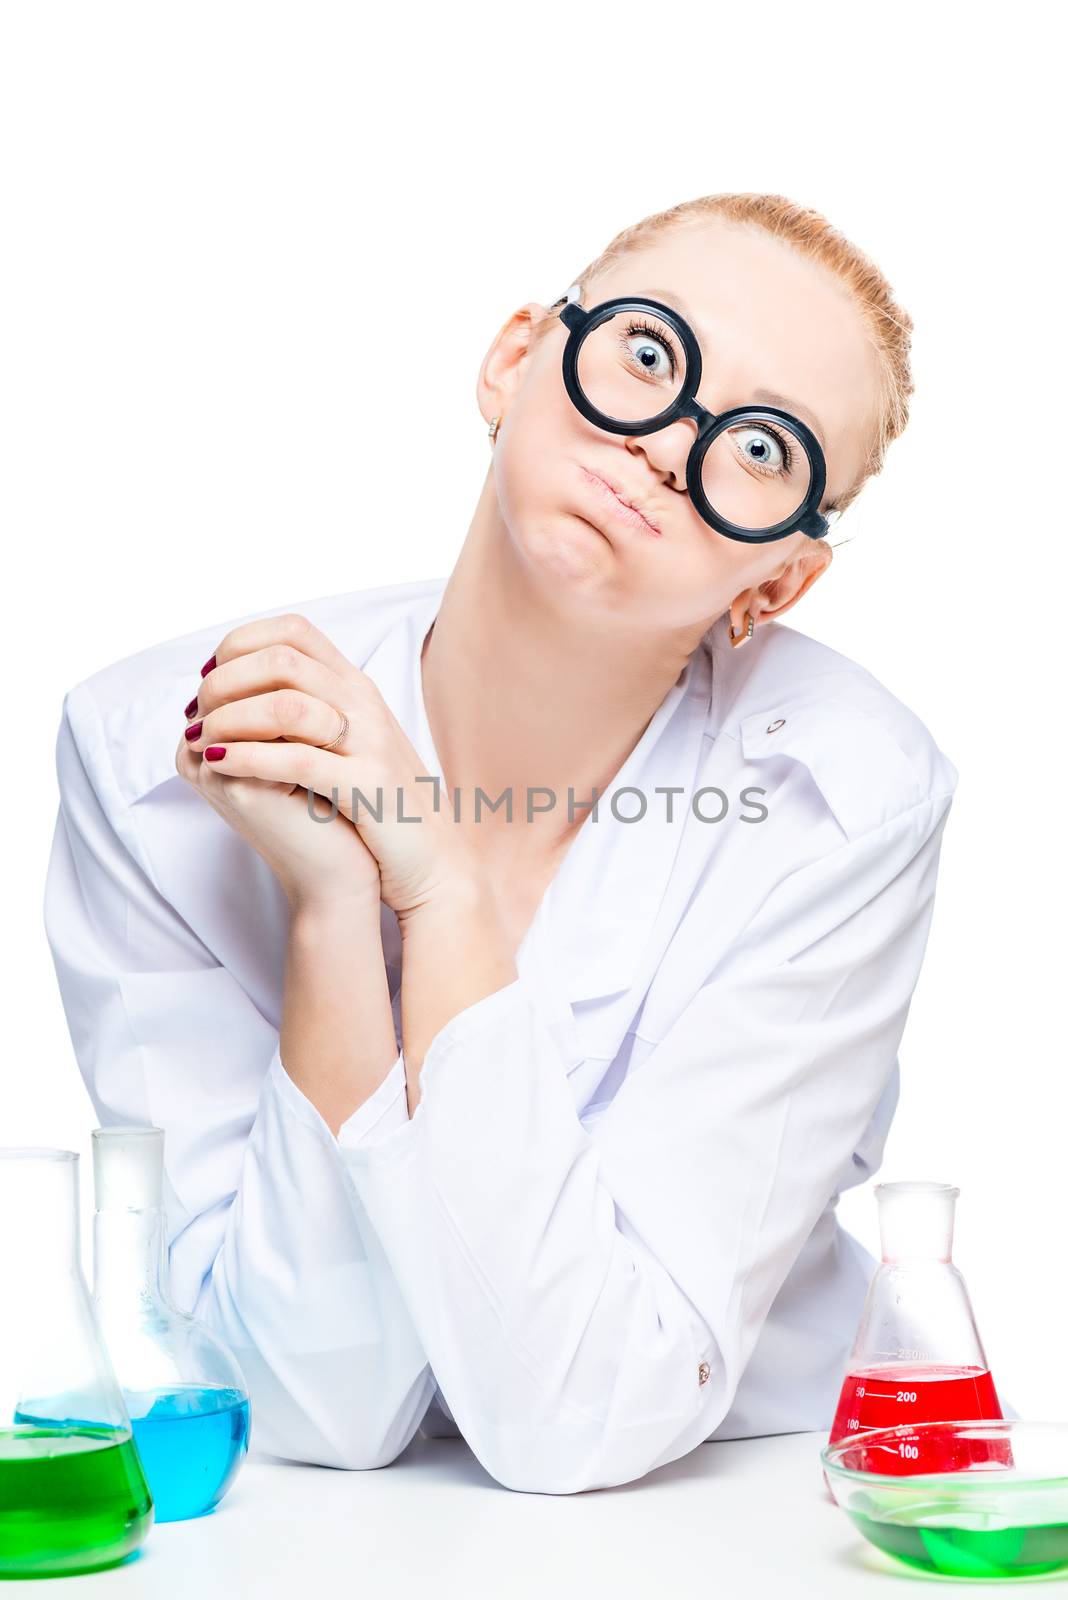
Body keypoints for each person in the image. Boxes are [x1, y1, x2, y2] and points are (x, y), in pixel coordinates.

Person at [44, 191, 958, 1495]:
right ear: (515, 360)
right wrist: (329, 915)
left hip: (730, 1521)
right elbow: (311, 1406)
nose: (666, 448)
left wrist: (436, 887)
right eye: (650, 358)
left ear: (777, 582)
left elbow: (580, 1417)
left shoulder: (847, 795)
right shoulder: (155, 758)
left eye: (760, 447)